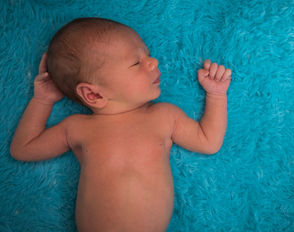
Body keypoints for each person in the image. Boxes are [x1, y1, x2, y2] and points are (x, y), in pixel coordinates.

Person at [10, 17, 231, 232]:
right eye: (136, 62)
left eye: (148, 54)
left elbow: (208, 141)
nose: (153, 62)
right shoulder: (77, 127)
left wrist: (217, 95)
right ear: (93, 94)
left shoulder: (164, 116)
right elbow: (23, 148)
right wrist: (42, 100)